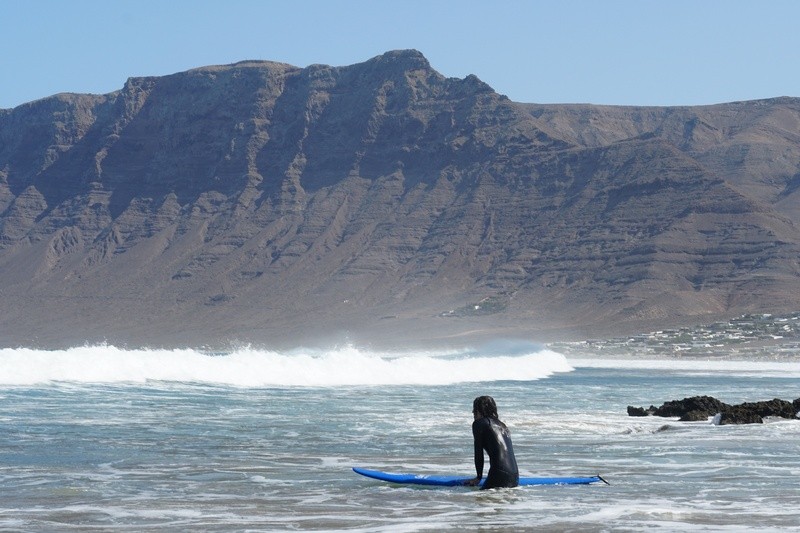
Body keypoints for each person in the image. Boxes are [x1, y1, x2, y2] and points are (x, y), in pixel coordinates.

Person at [467, 395, 519, 489]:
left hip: (499, 474)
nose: (473, 412)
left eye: (475, 409)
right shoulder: (503, 426)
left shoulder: (479, 424)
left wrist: (478, 477)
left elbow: (478, 453)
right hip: (515, 475)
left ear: (481, 410)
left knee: (480, 501)